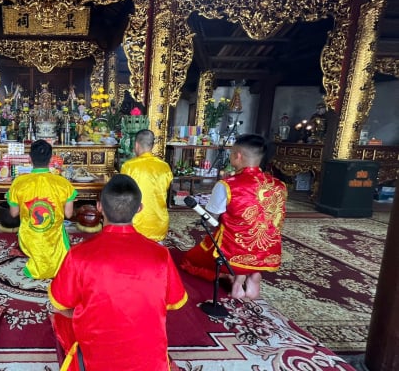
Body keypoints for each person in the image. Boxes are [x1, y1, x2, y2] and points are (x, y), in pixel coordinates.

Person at [48, 174, 187, 371]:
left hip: (96, 360)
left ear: (99, 207)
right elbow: (173, 302)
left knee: (61, 317)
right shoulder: (161, 255)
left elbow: (60, 305)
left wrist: (85, 313)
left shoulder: (78, 255)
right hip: (149, 363)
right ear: (139, 209)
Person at [180, 134, 287, 300]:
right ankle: (252, 273)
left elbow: (211, 220)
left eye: (231, 153)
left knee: (189, 261)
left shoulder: (228, 185)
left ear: (238, 156)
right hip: (268, 253)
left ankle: (237, 280)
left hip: (233, 253)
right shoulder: (279, 185)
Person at [8, 139, 77, 279]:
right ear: (51, 159)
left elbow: (14, 213)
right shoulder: (63, 183)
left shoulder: (19, 182)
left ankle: (34, 257)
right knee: (60, 232)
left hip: (29, 237)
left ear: (29, 159)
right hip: (54, 236)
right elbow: (69, 214)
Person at [120, 129, 174, 242]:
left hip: (135, 225)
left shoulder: (128, 166)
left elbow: (123, 194)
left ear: (136, 145)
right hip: (159, 223)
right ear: (152, 145)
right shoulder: (165, 167)